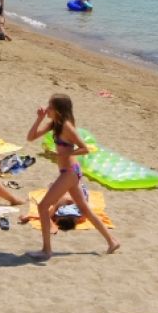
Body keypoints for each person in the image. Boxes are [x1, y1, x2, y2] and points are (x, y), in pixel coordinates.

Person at [26, 94, 120, 259]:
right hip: (69, 172)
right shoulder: (54, 124)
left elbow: (85, 148)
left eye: (50, 106)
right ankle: (112, 241)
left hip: (70, 172)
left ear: (59, 110)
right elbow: (31, 137)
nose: (47, 108)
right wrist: (39, 119)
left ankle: (47, 250)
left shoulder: (67, 127)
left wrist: (68, 153)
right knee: (84, 209)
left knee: (42, 206)